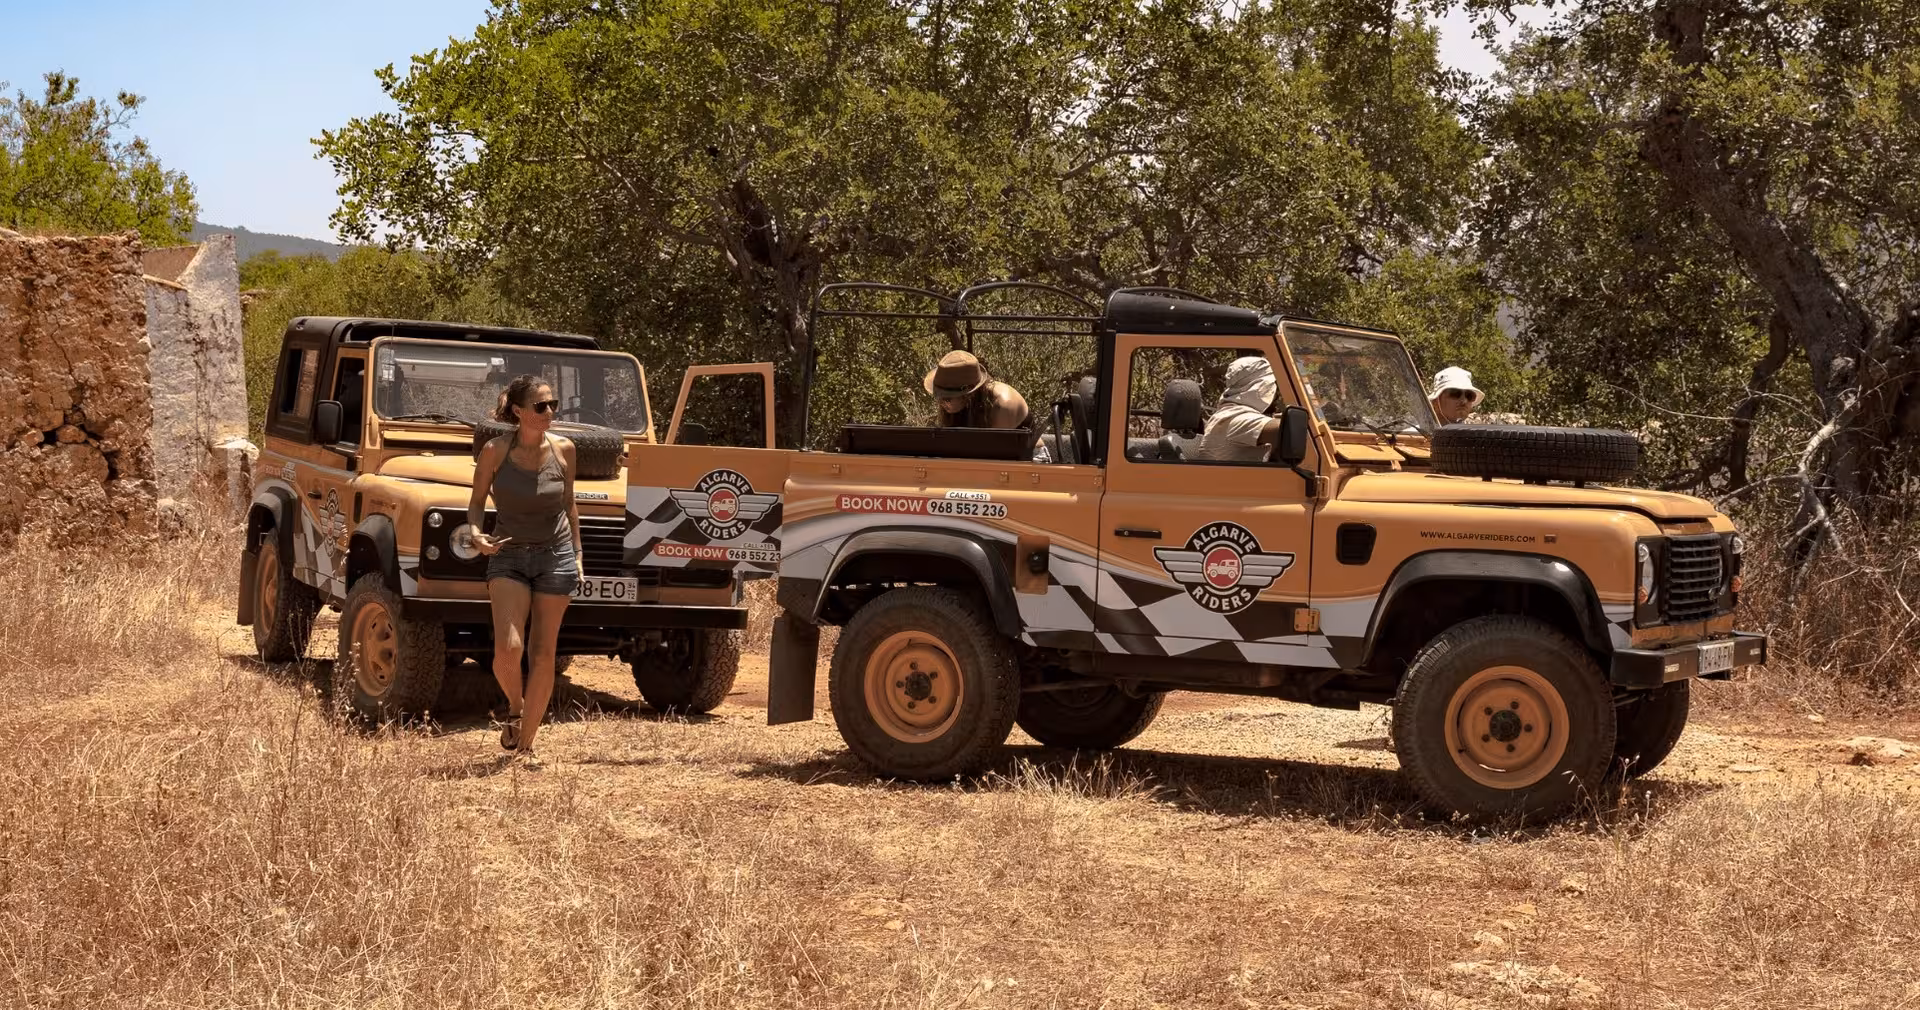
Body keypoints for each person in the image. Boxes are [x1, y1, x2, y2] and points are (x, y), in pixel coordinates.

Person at [467, 374, 581, 767]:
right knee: (508, 649)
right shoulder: (495, 451)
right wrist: (476, 533)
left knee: (544, 652)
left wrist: (578, 554)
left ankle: (526, 744)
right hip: (509, 554)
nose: (550, 412)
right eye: (541, 406)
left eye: (553, 405)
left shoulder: (565, 449)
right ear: (518, 412)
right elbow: (477, 502)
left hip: (556, 555)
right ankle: (515, 706)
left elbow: (569, 506)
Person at [1195, 355, 1282, 462]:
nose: (1277, 394)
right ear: (1262, 387)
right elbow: (1286, 430)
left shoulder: (1229, 413)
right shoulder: (1234, 419)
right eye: (1274, 386)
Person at [925, 350, 1031, 431]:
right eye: (938, 396)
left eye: (946, 398)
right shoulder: (963, 405)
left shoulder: (1002, 404)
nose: (940, 402)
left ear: (966, 395)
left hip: (1028, 456)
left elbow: (994, 452)